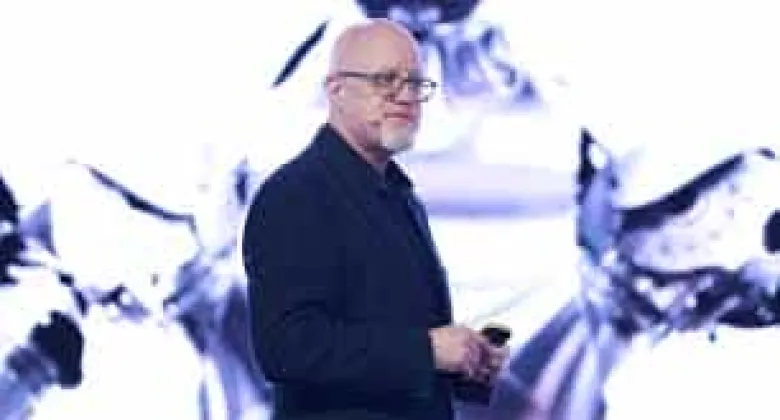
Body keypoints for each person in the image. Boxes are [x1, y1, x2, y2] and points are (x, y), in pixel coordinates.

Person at [242, 18, 509, 420]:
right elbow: (288, 347)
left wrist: (465, 359)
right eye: (385, 80)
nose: (405, 96)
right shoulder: (295, 194)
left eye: (415, 83)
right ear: (336, 90)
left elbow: (395, 343)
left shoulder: (400, 195)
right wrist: (427, 351)